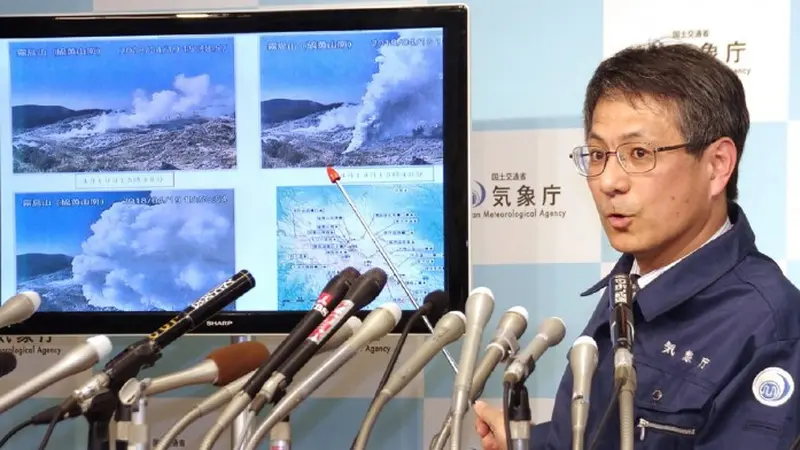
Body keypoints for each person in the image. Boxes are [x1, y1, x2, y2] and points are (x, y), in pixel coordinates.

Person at [473, 42, 800, 450]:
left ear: (717, 165)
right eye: (597, 154)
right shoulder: (630, 280)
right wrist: (527, 442)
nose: (609, 181)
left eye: (639, 153)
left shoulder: (771, 326)